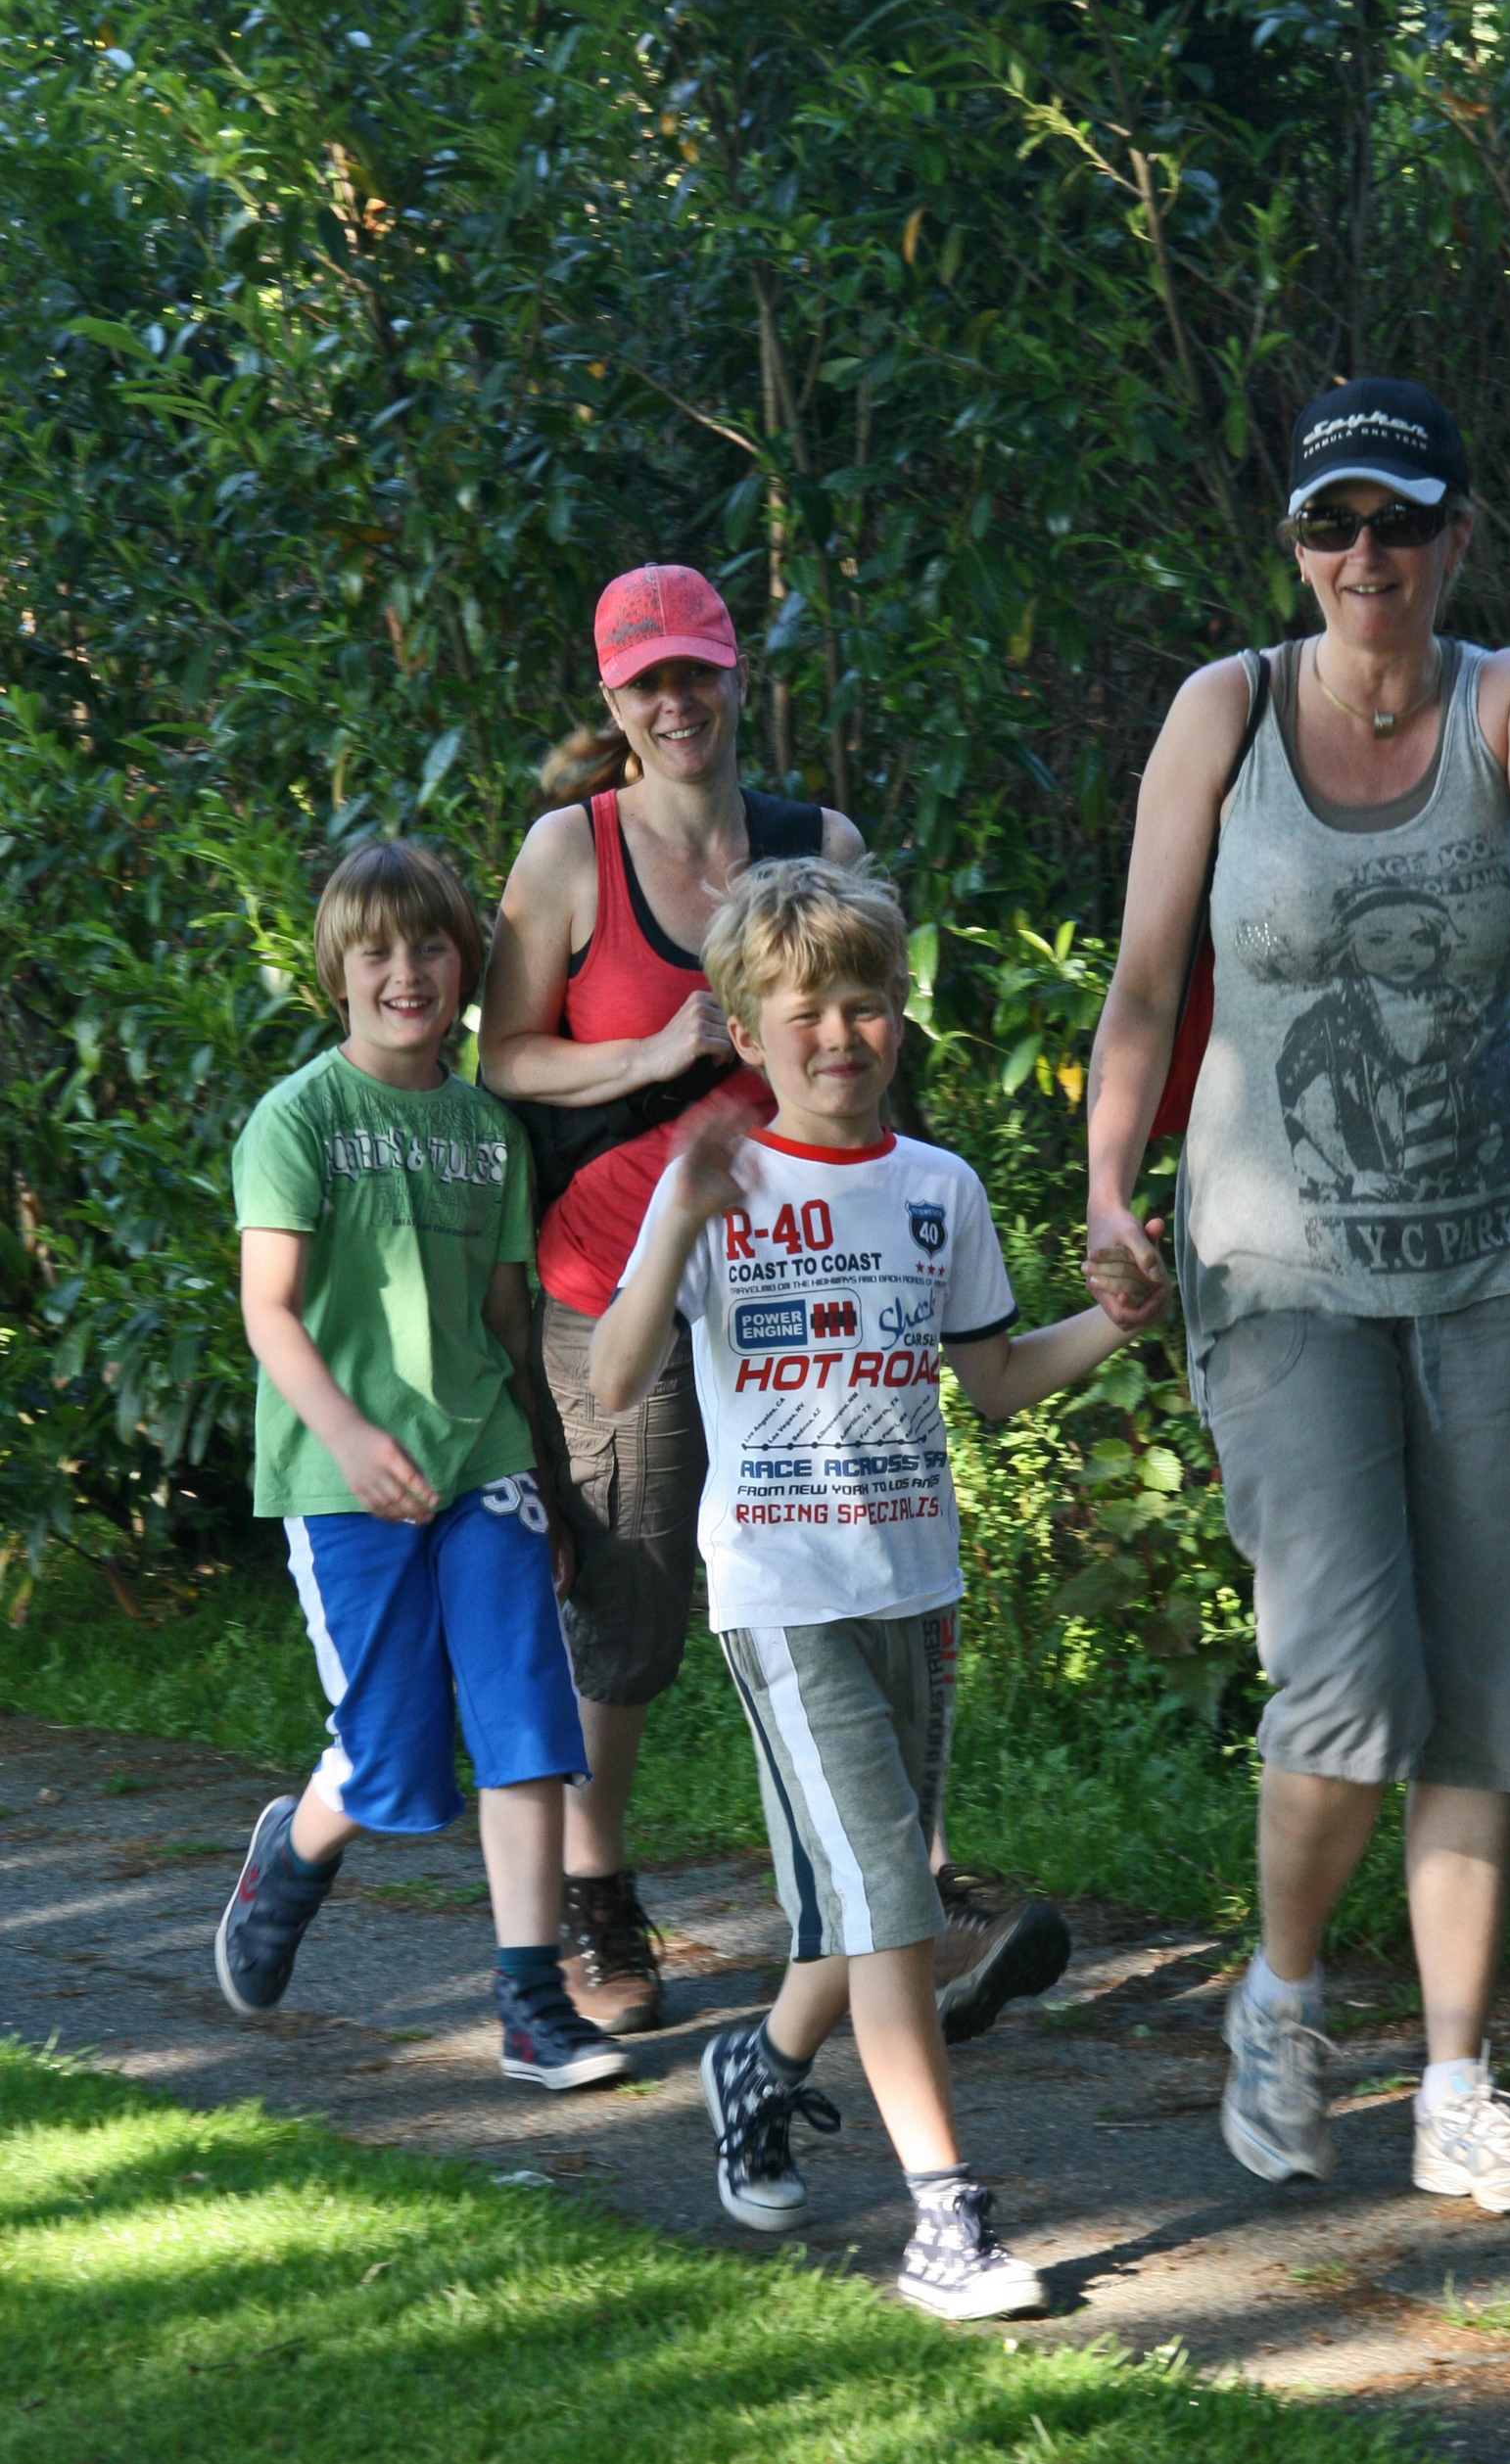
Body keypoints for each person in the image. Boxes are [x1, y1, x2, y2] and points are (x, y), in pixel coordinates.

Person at [1082, 377, 1510, 2214]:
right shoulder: (1226, 712)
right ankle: (1280, 2000)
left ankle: (1454, 2085)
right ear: (1296, 545)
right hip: (1280, 1275)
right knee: (1346, 1684)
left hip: (1499, 1269)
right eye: (1334, 524)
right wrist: (1106, 1188)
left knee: (1491, 1695)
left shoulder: (1504, 694)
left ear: (1456, 539)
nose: (1368, 556)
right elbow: (1144, 981)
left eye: (1401, 522)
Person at [481, 562, 1069, 2040]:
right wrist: (644, 1060)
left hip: (804, 1268)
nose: (676, 703)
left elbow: (867, 1033)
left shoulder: (822, 844)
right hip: (618, 1267)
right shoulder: (569, 851)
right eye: (647, 683)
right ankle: (596, 1891)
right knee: (631, 1601)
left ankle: (917, 1890)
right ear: (613, 701)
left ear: (737, 676)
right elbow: (501, 1056)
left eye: (697, 672)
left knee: (859, 1561)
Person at [589, 857, 1166, 2317]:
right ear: (746, 1033)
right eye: (805, 1013)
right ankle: (944, 2221)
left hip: (915, 1587)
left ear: (900, 1014)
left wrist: (1116, 1320)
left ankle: (761, 2062)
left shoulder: (938, 1189)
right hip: (779, 1593)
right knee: (895, 1906)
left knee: (861, 1902)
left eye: (864, 1005)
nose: (839, 1035)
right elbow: (613, 1376)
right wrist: (679, 1217)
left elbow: (997, 1381)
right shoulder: (714, 1188)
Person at [215, 840, 627, 2095]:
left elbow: (506, 1323)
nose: (407, 971)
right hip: (344, 1481)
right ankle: (293, 1854)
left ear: (465, 967)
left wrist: (550, 1483)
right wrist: (350, 1436)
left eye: (432, 946)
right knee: (392, 1755)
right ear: (338, 971)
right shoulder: (297, 1120)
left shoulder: (485, 1132)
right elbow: (269, 1310)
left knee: (525, 1721)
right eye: (378, 950)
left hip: (481, 1461)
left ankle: (531, 2005)